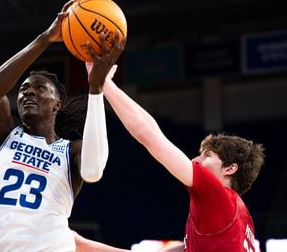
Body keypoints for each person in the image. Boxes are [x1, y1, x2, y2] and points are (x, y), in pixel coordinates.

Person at [84, 40, 265, 251]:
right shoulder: (238, 218)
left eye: (207, 156)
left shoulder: (217, 195)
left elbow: (148, 135)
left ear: (230, 168)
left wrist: (103, 84)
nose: (195, 160)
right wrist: (84, 245)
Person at [0, 0, 125, 251]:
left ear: (57, 103)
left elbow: (93, 171)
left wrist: (96, 89)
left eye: (38, 88)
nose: (28, 93)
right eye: (23, 89)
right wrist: (45, 38)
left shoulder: (71, 150)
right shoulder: (5, 135)